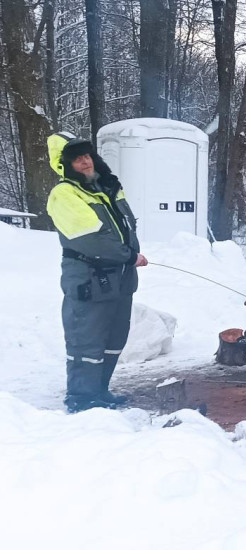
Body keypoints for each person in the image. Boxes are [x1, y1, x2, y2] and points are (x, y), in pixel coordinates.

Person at [46, 132, 147, 413]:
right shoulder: (64, 194)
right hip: (89, 279)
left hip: (120, 278)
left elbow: (125, 228)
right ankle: (81, 398)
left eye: (87, 155)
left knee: (114, 338)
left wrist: (129, 257)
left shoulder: (108, 188)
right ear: (65, 165)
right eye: (77, 159)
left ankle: (100, 391)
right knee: (87, 340)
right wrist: (130, 255)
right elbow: (93, 238)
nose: (85, 162)